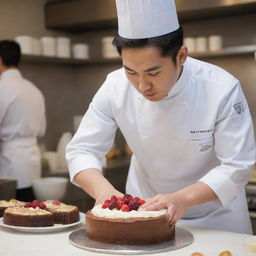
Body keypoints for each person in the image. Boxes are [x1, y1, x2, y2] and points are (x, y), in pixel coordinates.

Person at [66, 0, 255, 234]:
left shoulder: (221, 88)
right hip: (146, 213)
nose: (142, 85)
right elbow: (82, 150)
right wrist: (104, 192)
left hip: (216, 217)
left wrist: (182, 199)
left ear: (182, 55)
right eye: (131, 71)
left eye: (153, 72)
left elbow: (238, 165)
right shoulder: (114, 85)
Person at [0, 40, 46, 201]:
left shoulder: (3, 87)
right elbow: (41, 128)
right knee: (30, 207)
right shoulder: (33, 88)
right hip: (33, 160)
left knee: (13, 212)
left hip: (11, 162)